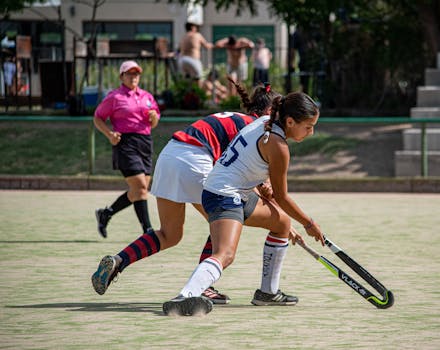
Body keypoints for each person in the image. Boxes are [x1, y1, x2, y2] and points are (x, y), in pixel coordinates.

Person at [91, 80, 281, 305]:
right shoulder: (255, 127)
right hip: (195, 160)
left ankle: (119, 260)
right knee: (222, 220)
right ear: (269, 112)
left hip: (168, 157)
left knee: (170, 234)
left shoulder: (234, 118)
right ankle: (203, 287)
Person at [162, 91, 324, 316]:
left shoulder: (265, 123)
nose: (311, 131)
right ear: (289, 121)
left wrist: (296, 222)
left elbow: (268, 190)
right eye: (308, 126)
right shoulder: (278, 146)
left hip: (233, 192)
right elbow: (282, 196)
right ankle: (185, 296)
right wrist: (309, 223)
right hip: (224, 195)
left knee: (282, 223)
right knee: (225, 254)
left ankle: (268, 292)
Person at [93, 60, 160, 238]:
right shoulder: (115, 97)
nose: (133, 77)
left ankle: (106, 213)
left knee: (141, 190)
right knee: (139, 187)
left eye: (136, 74)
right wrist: (109, 134)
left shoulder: (147, 96)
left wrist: (154, 117)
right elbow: (98, 117)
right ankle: (148, 230)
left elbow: (154, 122)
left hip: (145, 142)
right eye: (129, 74)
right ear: (122, 76)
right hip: (125, 143)